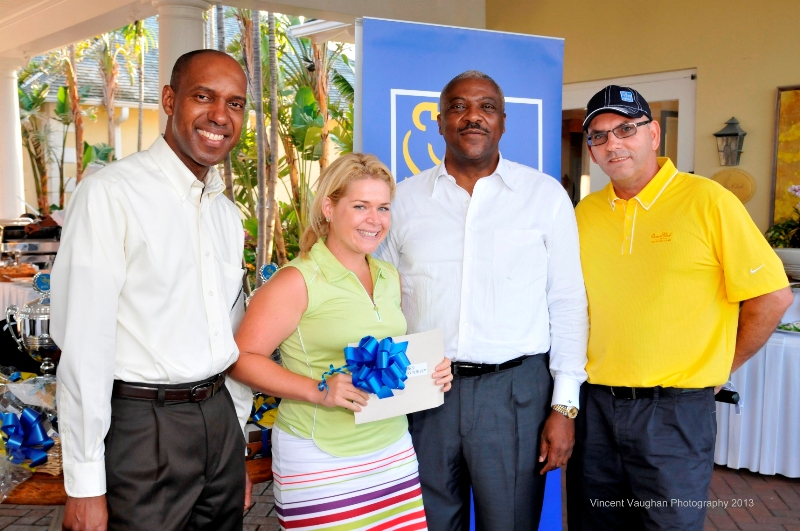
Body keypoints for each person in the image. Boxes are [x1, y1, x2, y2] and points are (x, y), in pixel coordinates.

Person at [567, 85, 793, 530]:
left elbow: (772, 295)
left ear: (653, 134)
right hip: (595, 407)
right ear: (590, 148)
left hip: (674, 413)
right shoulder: (584, 213)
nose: (612, 144)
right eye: (599, 135)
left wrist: (724, 366)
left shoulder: (709, 201)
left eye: (625, 129)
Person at [51, 49, 255, 531]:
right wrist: (85, 483)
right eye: (203, 97)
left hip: (218, 423)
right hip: (144, 429)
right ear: (169, 100)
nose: (220, 116)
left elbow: (230, 334)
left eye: (234, 103)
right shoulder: (110, 195)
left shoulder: (226, 214)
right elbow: (85, 345)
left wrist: (235, 441)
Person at [376, 70, 589, 531]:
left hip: (515, 394)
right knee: (429, 523)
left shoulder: (545, 197)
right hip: (424, 391)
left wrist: (564, 406)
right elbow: (378, 299)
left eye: (486, 107)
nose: (473, 116)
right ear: (439, 121)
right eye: (458, 106)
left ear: (503, 122)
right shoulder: (403, 201)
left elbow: (568, 302)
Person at [230, 153, 453, 531]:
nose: (375, 219)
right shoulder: (296, 280)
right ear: (329, 208)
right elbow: (242, 358)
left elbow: (387, 356)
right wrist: (318, 390)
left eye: (383, 207)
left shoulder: (388, 276)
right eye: (360, 206)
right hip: (320, 457)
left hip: (393, 452)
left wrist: (429, 370)